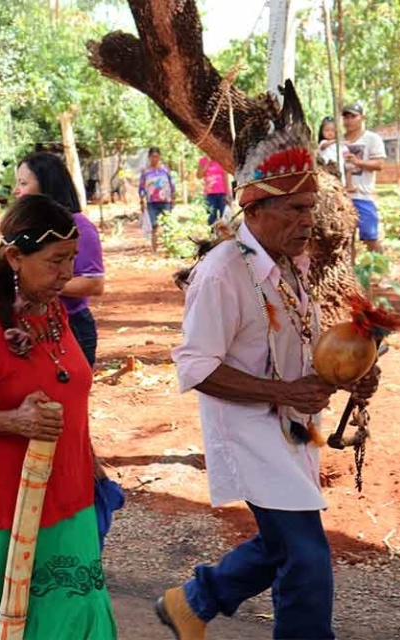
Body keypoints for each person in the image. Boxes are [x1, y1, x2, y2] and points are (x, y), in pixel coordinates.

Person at [159, 83, 380, 640]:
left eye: (313, 208)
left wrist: (350, 369)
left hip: (289, 430)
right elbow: (197, 367)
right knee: (305, 561)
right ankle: (201, 600)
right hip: (247, 433)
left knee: (284, 544)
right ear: (255, 207)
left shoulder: (292, 262)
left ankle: (194, 601)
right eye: (298, 208)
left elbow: (296, 349)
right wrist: (281, 394)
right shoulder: (221, 274)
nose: (311, 221)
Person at [0, 195, 118, 639]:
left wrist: (90, 465)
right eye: (55, 261)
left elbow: (66, 389)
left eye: (71, 259)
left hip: (69, 493)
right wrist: (15, 421)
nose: (67, 274)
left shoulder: (50, 308)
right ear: (15, 257)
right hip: (4, 504)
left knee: (71, 608)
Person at [13, 152, 105, 368]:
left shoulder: (80, 228)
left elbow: (94, 283)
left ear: (46, 185)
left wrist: (38, 285)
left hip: (71, 325)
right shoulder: (24, 227)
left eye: (24, 183)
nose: (17, 190)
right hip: (28, 324)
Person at [341, 102, 387, 253]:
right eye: (346, 117)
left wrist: (357, 161)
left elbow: (379, 164)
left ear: (362, 118)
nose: (349, 120)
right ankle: (352, 275)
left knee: (371, 239)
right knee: (345, 242)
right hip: (341, 197)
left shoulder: (372, 139)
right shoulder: (337, 140)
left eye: (353, 116)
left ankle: (381, 274)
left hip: (363, 196)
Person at [138, 146, 175, 253]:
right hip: (151, 202)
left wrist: (173, 198)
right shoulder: (146, 172)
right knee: (154, 225)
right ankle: (154, 250)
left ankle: (170, 248)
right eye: (153, 157)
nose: (155, 159)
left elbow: (171, 184)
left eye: (157, 156)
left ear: (160, 157)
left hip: (165, 201)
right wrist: (141, 200)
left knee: (168, 224)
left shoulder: (165, 170)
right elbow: (141, 187)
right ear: (149, 157)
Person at [196, 156, 231, 227]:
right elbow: (199, 176)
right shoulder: (203, 160)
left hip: (222, 192)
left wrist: (228, 193)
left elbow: (225, 176)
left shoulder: (221, 159)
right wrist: (208, 163)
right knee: (211, 216)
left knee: (224, 215)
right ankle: (213, 234)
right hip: (209, 193)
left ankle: (225, 235)